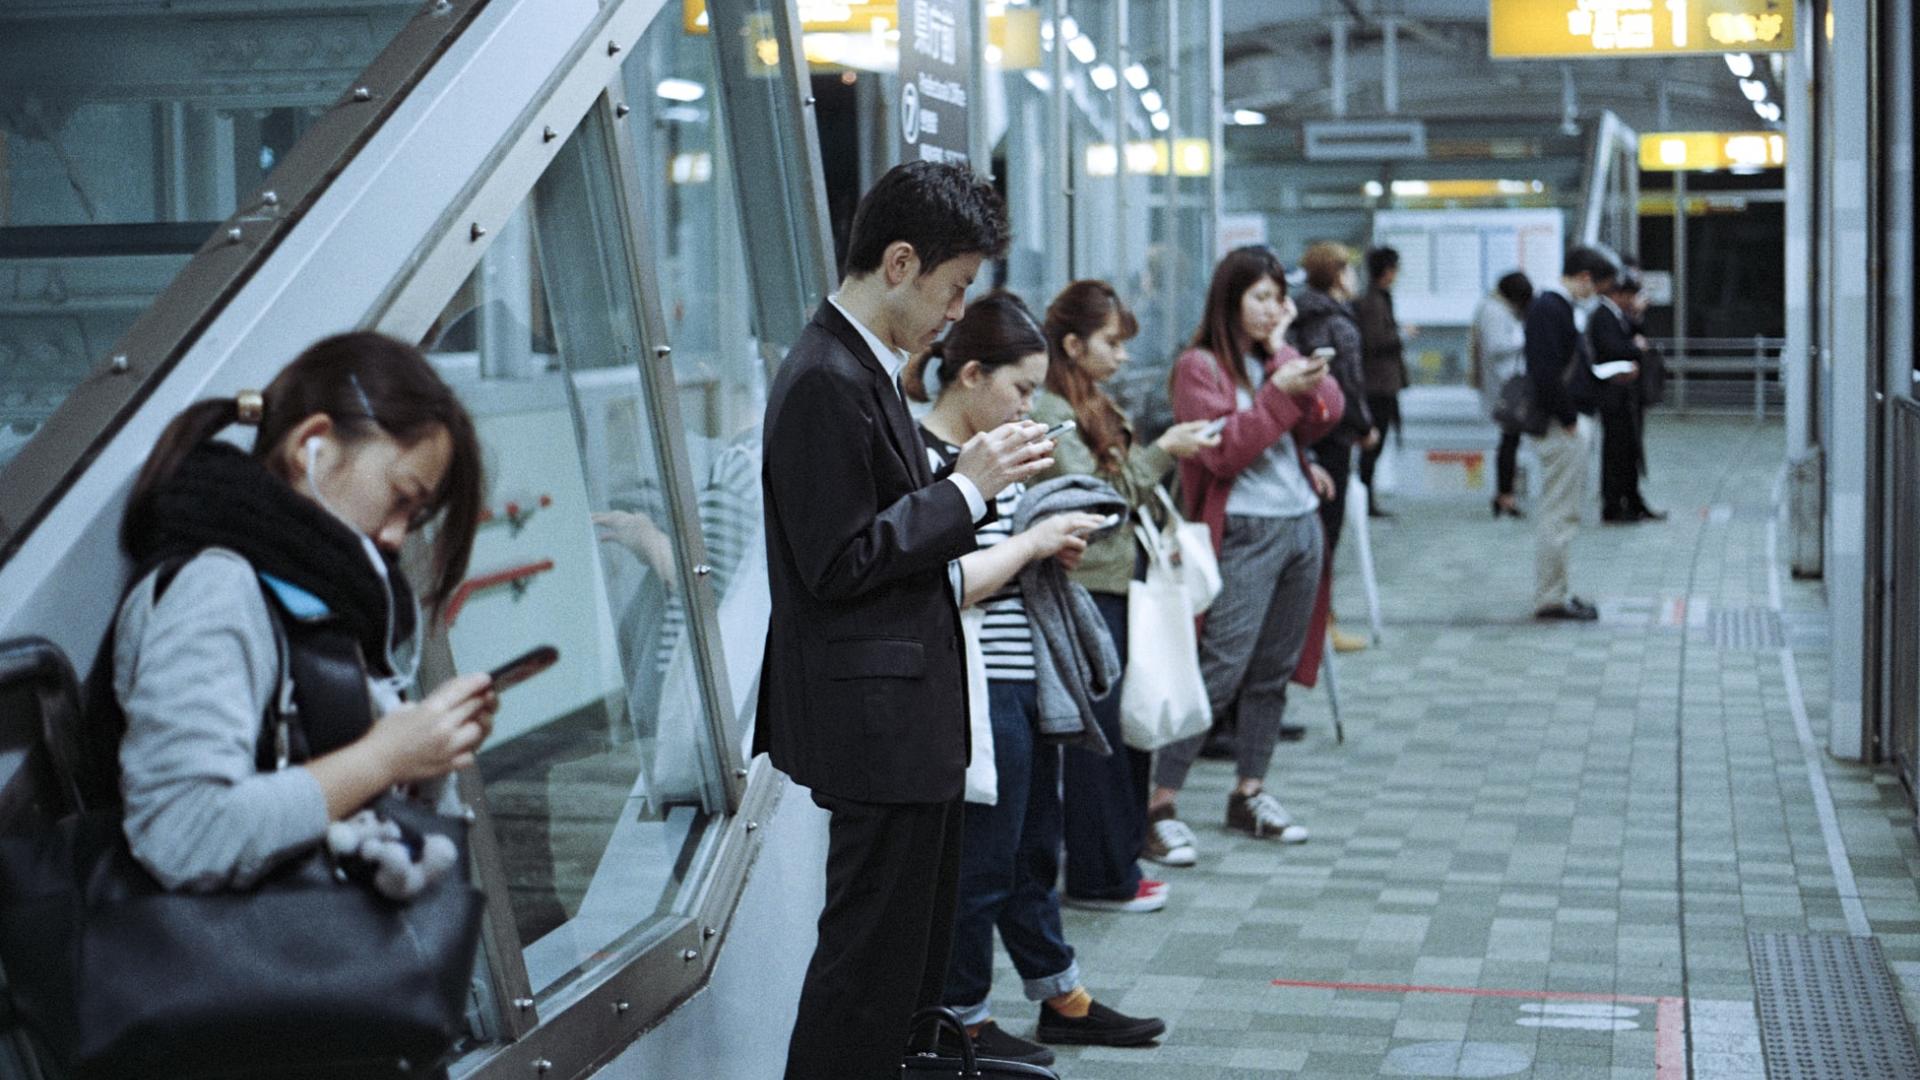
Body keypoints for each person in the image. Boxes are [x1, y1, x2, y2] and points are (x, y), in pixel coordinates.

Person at [755, 161, 1055, 1080]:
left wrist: (965, 476)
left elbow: (883, 526)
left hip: (906, 721)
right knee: (865, 974)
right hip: (875, 725)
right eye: (954, 287)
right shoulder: (824, 378)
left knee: (903, 970)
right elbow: (839, 560)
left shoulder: (862, 369)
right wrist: (968, 486)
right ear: (898, 263)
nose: (957, 311)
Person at [110, 331, 494, 895]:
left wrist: (425, 749)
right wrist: (384, 757)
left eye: (415, 518)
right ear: (311, 444)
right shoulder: (217, 588)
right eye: (399, 498)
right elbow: (182, 831)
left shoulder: (317, 592)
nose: (394, 537)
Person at [904, 291, 1167, 1067]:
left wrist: (1050, 548)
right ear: (971, 374)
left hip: (1020, 680)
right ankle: (965, 1022)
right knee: (983, 863)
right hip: (976, 687)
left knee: (1029, 853)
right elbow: (940, 582)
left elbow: (1000, 566)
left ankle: (1059, 994)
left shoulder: (993, 452)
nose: (1029, 405)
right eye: (1021, 388)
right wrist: (1033, 546)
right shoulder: (929, 459)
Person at [1147, 246, 1344, 865]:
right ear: (1230, 300)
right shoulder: (1198, 366)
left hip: (1300, 528)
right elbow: (1223, 451)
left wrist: (1284, 355)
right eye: (1260, 297)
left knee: (1273, 671)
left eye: (1277, 298)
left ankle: (1250, 791)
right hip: (1245, 532)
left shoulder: (1272, 357)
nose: (1271, 309)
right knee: (1219, 670)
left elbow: (1327, 413)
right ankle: (1155, 803)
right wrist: (1277, 395)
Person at [1031, 279, 1219, 910]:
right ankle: (1100, 874)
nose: (1122, 355)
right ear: (1073, 343)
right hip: (1087, 587)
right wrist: (1165, 451)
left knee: (1125, 727)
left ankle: (1115, 864)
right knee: (1101, 738)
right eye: (1111, 342)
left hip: (1117, 580)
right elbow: (1094, 499)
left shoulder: (1087, 399)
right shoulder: (1052, 410)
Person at [1526, 245, 1622, 622]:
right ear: (1584, 278)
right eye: (1597, 288)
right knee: (1560, 512)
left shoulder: (1553, 307)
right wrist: (1568, 417)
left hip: (1564, 420)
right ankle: (1551, 596)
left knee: (1562, 510)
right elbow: (1546, 372)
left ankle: (1556, 591)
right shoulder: (1552, 308)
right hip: (1561, 424)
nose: (1595, 296)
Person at [1289, 241, 1373, 653]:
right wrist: (1363, 425)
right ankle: (1322, 624)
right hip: (1335, 434)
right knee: (1327, 533)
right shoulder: (1337, 321)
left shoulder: (1300, 316)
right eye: (1350, 270)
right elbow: (1350, 381)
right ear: (1339, 274)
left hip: (1305, 434)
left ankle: (1315, 623)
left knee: (1315, 531)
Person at [1590, 267, 1665, 523]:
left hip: (1627, 394)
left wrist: (1637, 316)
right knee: (1616, 451)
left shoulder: (1620, 315)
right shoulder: (1602, 315)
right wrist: (1633, 348)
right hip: (1613, 393)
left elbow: (1636, 333)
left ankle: (1632, 500)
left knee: (1630, 449)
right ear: (1619, 294)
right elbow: (1610, 348)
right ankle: (1613, 504)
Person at [1472, 271, 1535, 518]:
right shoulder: (1494, 311)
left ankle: (1504, 494)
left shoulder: (1494, 308)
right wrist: (1524, 340)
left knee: (1510, 441)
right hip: (1505, 386)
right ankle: (1504, 495)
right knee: (1509, 441)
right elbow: (1496, 346)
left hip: (1506, 384)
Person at [1353, 245, 1408, 518]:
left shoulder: (1380, 299)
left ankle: (1367, 499)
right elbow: (1374, 341)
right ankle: (1365, 500)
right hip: (1377, 386)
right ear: (1386, 271)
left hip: (1381, 384)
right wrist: (1402, 336)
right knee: (1372, 444)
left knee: (1376, 443)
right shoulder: (1373, 302)